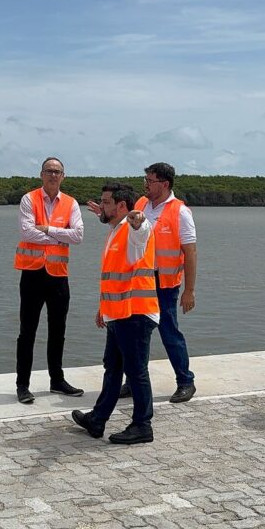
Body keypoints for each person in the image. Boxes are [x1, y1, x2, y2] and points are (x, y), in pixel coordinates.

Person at [92, 163, 197, 403]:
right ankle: (132, 383)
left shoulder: (180, 212)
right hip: (137, 281)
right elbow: (122, 226)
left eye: (150, 181)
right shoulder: (140, 203)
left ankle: (185, 381)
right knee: (133, 334)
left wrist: (189, 290)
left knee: (169, 332)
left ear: (165, 184)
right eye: (145, 180)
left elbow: (190, 252)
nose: (146, 185)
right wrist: (104, 213)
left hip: (164, 283)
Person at [71, 182, 159, 445]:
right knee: (113, 367)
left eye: (106, 202)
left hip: (136, 314)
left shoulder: (132, 230)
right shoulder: (115, 230)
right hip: (119, 314)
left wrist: (139, 222)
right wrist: (104, 309)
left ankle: (142, 426)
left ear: (122, 206)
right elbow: (114, 278)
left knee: (136, 371)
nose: (102, 206)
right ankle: (97, 419)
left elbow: (141, 233)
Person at [13, 157, 85, 404]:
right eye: (49, 171)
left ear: (63, 176)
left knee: (58, 331)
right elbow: (27, 232)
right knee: (27, 332)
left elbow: (78, 235)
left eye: (57, 171)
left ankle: (57, 380)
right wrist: (59, 237)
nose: (53, 175)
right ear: (41, 174)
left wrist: (48, 230)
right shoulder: (29, 199)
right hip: (32, 274)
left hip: (58, 276)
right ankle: (23, 385)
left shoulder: (71, 203)